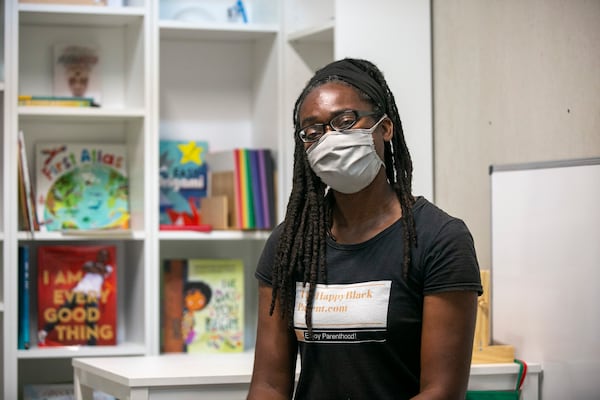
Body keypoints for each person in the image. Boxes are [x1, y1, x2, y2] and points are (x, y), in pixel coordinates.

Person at [247, 58, 482, 400]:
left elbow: (441, 392)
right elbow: (268, 386)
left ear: (384, 129)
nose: (329, 139)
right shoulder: (290, 243)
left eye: (344, 121)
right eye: (312, 132)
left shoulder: (440, 239)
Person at [38, 248, 113, 346]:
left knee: (91, 320)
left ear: (107, 258)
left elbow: (101, 270)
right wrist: (96, 268)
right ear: (98, 256)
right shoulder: (90, 263)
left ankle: (91, 345)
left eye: (105, 255)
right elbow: (87, 267)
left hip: (92, 295)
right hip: (80, 291)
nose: (102, 257)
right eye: (101, 254)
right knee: (63, 311)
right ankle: (43, 332)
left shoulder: (109, 268)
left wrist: (96, 268)